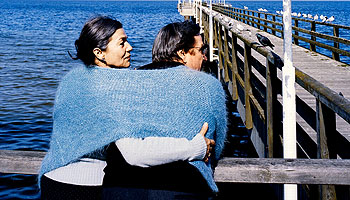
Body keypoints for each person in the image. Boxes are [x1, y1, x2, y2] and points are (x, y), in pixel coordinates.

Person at [40, 17, 226, 199]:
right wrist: (196, 147)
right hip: (86, 187)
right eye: (122, 43)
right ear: (99, 52)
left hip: (53, 178)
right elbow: (134, 152)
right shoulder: (115, 88)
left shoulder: (72, 81)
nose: (130, 47)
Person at [103, 21, 226, 199]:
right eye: (201, 50)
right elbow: (217, 146)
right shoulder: (208, 85)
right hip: (183, 188)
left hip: (121, 187)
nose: (205, 57)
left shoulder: (123, 83)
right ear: (182, 53)